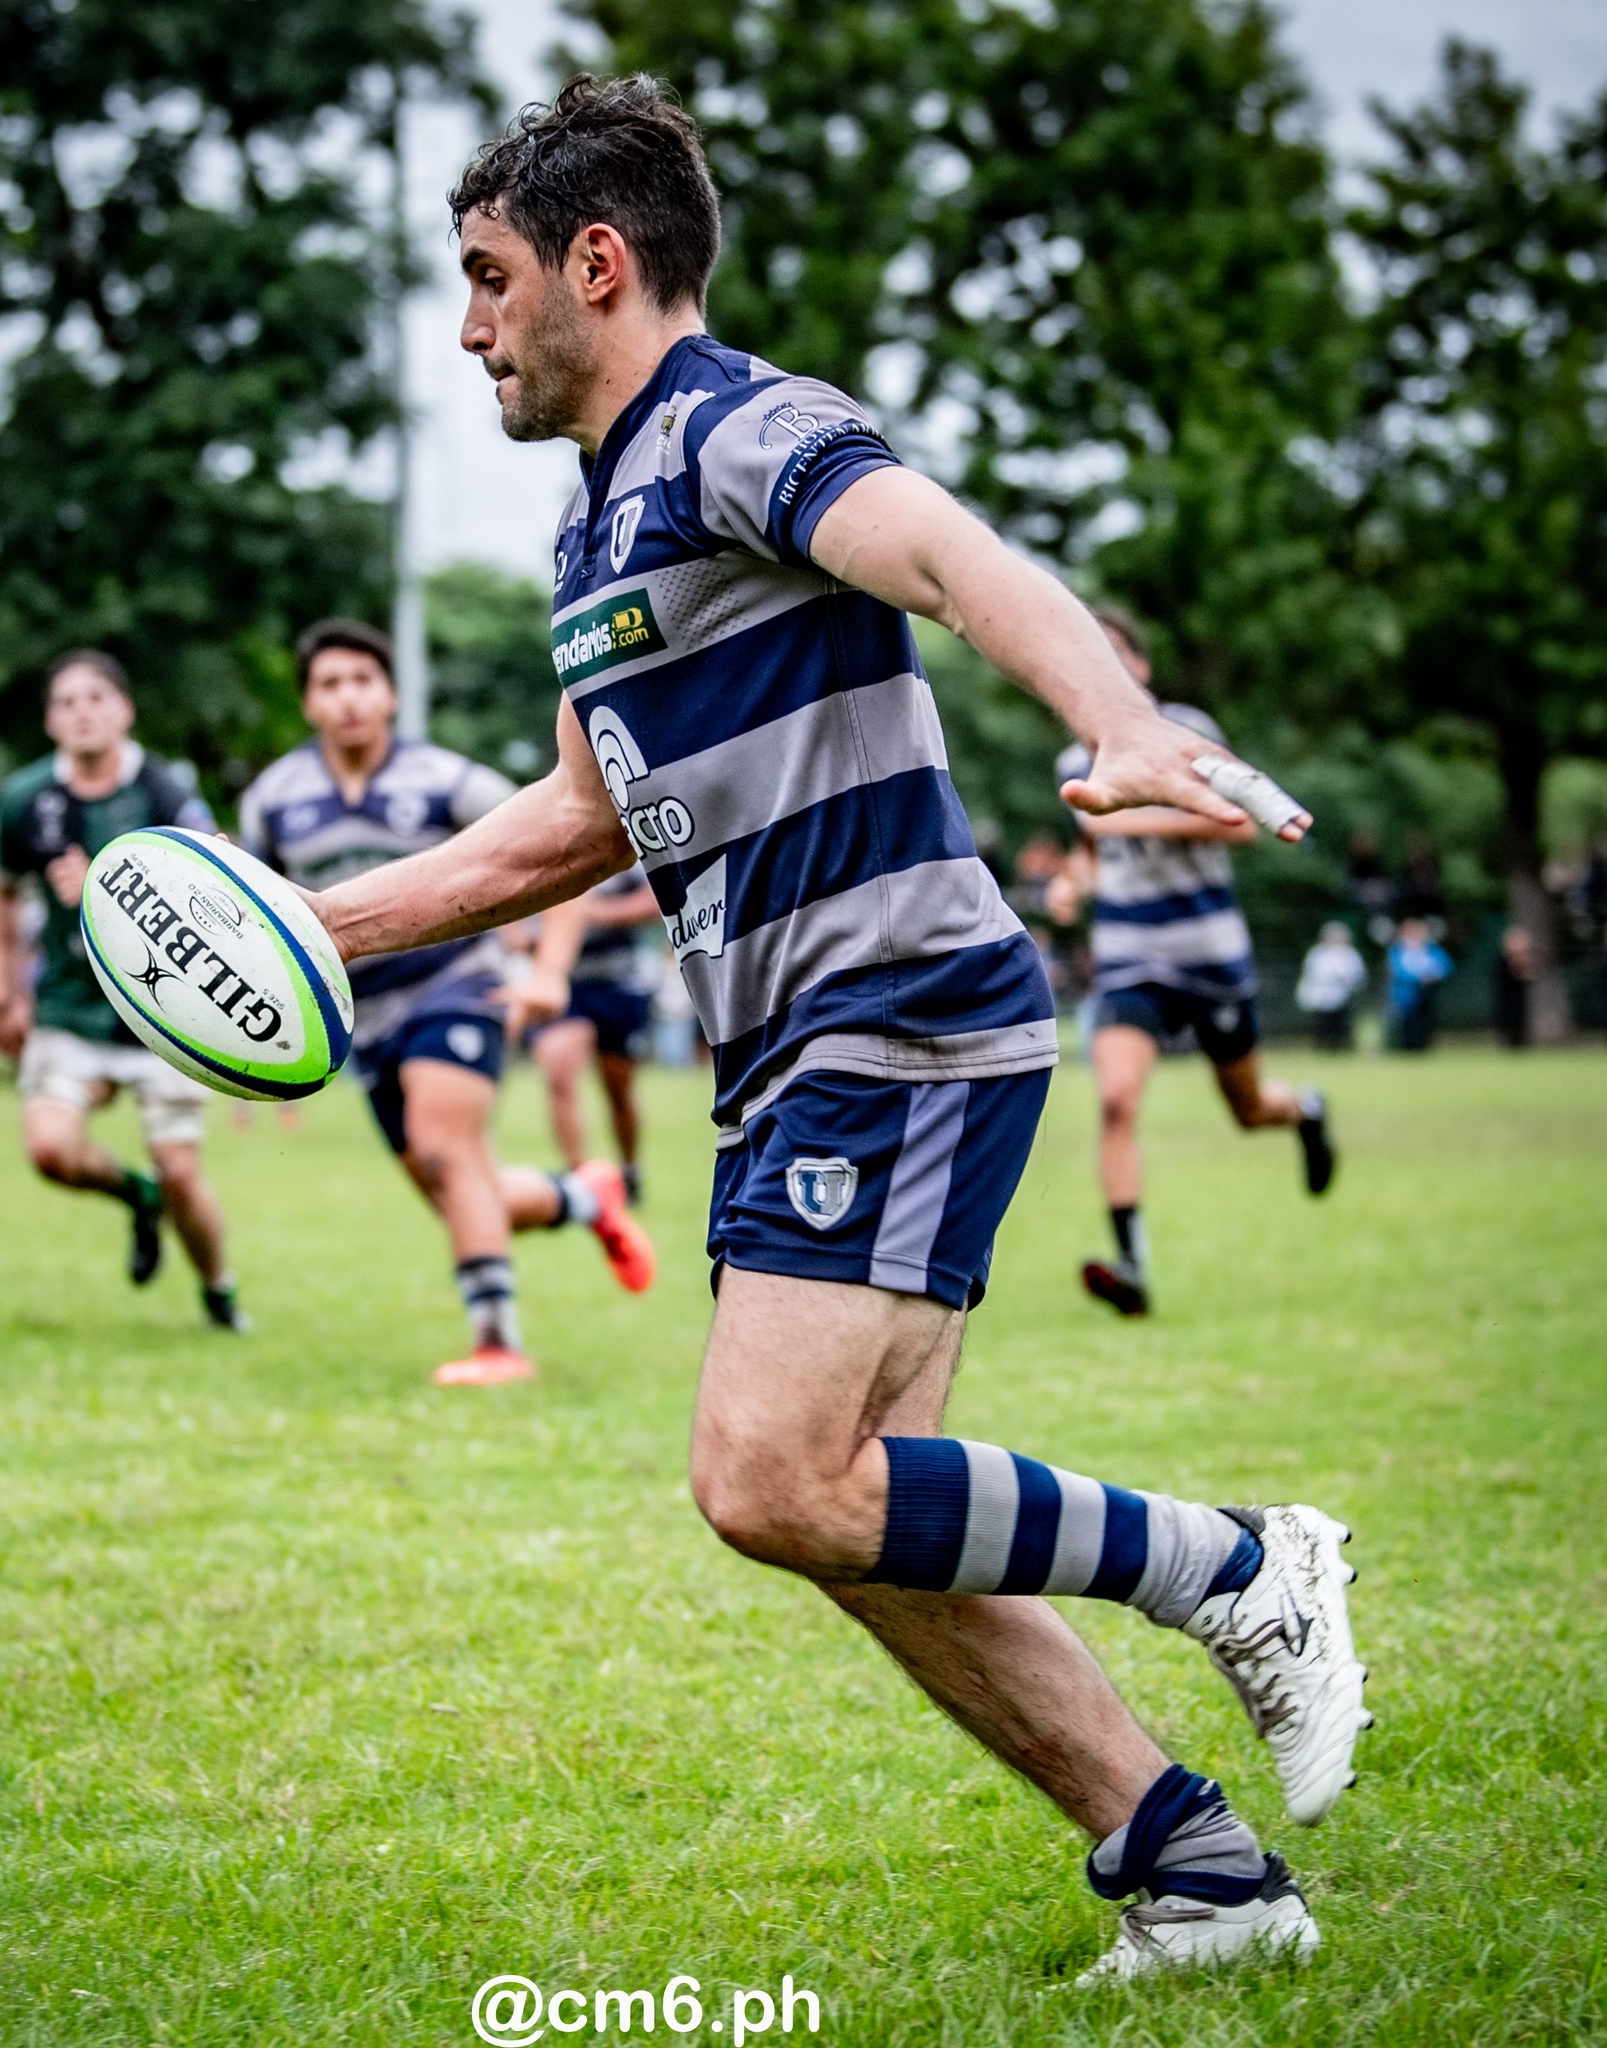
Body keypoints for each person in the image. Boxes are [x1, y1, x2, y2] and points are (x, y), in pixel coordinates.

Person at [292, 76, 1369, 1981]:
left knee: (767, 1477)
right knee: (869, 1524)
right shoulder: (596, 530)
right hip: (791, 1038)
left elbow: (948, 554)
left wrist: (1114, 718)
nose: (468, 329)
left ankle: (1241, 1562)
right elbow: (576, 819)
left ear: (593, 263)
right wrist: (312, 930)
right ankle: (1193, 1869)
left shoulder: (739, 425)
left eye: (485, 280)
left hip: (896, 1004)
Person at [237, 618, 656, 1386]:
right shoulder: (274, 800)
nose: (349, 698)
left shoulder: (447, 780)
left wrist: (549, 974)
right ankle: (581, 1198)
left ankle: (500, 1345)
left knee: (443, 1150)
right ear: (308, 705)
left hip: (457, 983)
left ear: (390, 693)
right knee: (458, 1190)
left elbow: (561, 850)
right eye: (329, 685)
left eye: (363, 680)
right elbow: (256, 922)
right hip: (359, 1017)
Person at [1050, 609, 1335, 1318]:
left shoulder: (1188, 730)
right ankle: (1132, 1265)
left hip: (1208, 955)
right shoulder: (1070, 758)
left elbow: (1239, 821)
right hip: (1128, 958)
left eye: (1115, 651)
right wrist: (1070, 882)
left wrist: (1129, 810)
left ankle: (1302, 1111)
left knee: (1247, 1109)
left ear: (1141, 667)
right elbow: (1092, 850)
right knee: (1115, 1101)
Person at [0, 650, 247, 1331]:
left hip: (166, 1013)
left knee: (184, 1171)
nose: (82, 711)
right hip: (70, 1007)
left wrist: (105, 881)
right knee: (49, 1150)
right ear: (50, 720)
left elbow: (218, 881)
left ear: (124, 710)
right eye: (67, 701)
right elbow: (0, 891)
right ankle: (138, 1195)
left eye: (96, 697)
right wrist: (2, 990)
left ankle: (219, 1293)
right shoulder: (24, 799)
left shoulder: (164, 790)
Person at [528, 865, 660, 1200]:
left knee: (618, 1091)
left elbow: (657, 900)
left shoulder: (622, 848)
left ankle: (629, 1169)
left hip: (618, 983)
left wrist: (594, 914)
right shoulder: (538, 852)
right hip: (565, 985)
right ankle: (580, 1182)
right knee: (559, 1072)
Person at [1295, 921, 1368, 1054]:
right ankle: (1322, 1049)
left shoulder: (1350, 954)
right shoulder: (1317, 954)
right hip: (1321, 998)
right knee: (1323, 1026)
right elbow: (1314, 974)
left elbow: (1357, 975)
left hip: (1343, 997)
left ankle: (1340, 1048)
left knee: (1341, 1026)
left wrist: (1346, 979)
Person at [1385, 917, 1451, 1052]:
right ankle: (1407, 1048)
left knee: (1425, 1021)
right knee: (1407, 1022)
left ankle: (1422, 1046)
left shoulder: (1431, 948)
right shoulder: (1398, 950)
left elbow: (1445, 965)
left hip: (1426, 993)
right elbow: (1398, 970)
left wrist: (1432, 976)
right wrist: (1418, 978)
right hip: (1406, 994)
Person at [1492, 923, 1534, 1049]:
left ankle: (1519, 1042)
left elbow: (1528, 977)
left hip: (1519, 1001)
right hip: (1506, 1000)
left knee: (1519, 1022)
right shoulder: (1501, 962)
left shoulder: (1525, 962)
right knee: (1508, 1022)